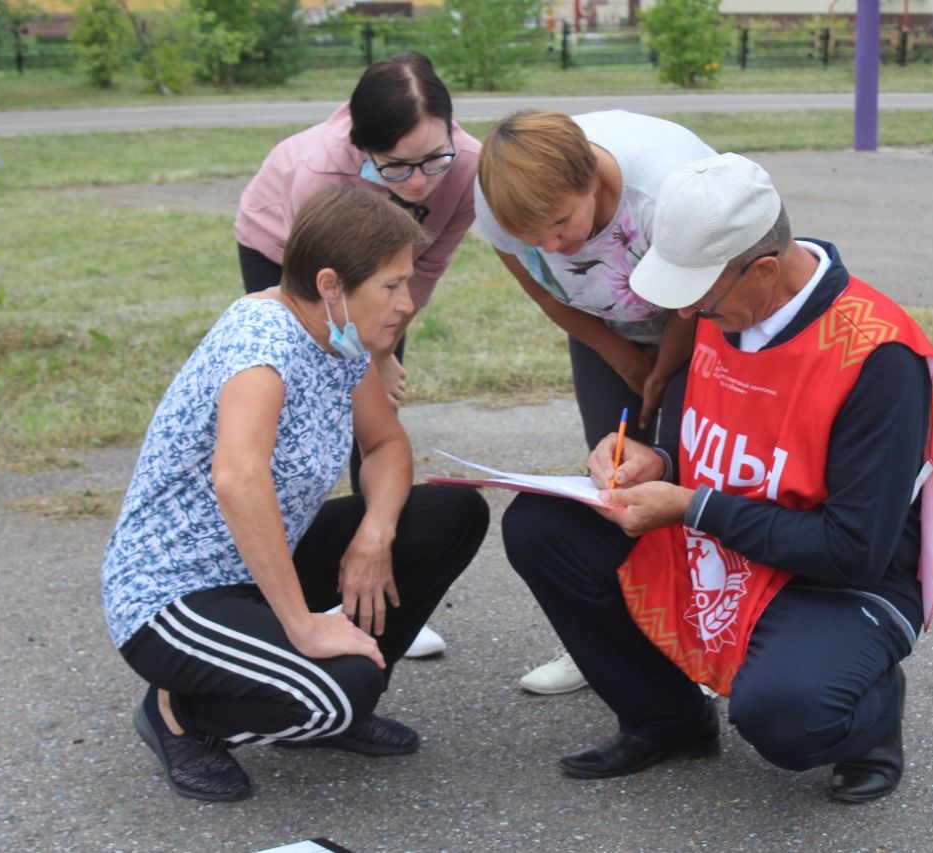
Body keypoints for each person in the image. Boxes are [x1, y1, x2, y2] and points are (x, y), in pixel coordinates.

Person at [501, 153, 933, 803]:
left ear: (765, 269)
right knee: (542, 526)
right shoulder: (727, 307)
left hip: (833, 578)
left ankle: (873, 716)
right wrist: (654, 464)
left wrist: (690, 504)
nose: (687, 314)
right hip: (725, 531)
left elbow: (854, 550)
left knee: (786, 716)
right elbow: (722, 455)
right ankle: (668, 719)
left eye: (701, 296)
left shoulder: (879, 356)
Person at [102, 186, 490, 802]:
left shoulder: (338, 337)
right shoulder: (263, 347)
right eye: (391, 286)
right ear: (332, 283)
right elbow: (238, 477)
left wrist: (376, 532)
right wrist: (302, 625)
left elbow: (387, 446)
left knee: (452, 513)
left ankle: (323, 690)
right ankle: (178, 713)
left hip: (258, 562)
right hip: (176, 593)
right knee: (339, 690)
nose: (407, 302)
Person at [235, 50, 480, 659]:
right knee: (306, 411)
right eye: (399, 167)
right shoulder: (320, 170)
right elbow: (324, 295)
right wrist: (365, 357)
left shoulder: (469, 165)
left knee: (371, 424)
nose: (422, 182)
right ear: (363, 148)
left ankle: (373, 581)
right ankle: (290, 580)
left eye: (433, 159)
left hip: (385, 275)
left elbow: (424, 267)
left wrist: (387, 347)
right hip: (288, 251)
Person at [474, 109, 716, 694]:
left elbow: (700, 296)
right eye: (537, 238)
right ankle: (610, 638)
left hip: (706, 320)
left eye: (561, 223)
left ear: (591, 178)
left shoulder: (666, 189)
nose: (554, 245)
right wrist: (625, 360)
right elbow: (548, 294)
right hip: (604, 327)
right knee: (614, 481)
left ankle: (707, 639)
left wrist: (662, 369)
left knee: (687, 475)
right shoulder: (502, 208)